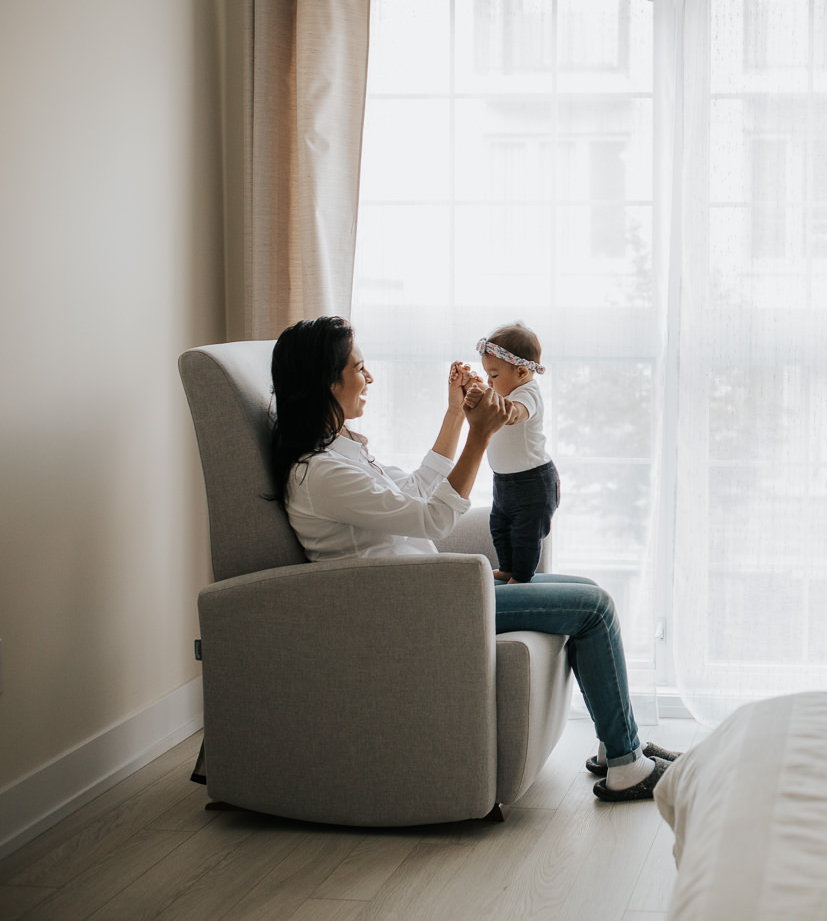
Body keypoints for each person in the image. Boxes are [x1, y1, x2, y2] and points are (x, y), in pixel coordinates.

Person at [268, 316, 676, 801]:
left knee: (590, 593)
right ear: (326, 382)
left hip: (437, 589)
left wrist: (456, 415)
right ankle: (627, 765)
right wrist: (480, 437)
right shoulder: (322, 472)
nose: (369, 378)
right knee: (594, 608)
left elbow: (420, 488)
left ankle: (618, 750)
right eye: (359, 367)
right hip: (421, 604)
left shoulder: (339, 453)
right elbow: (432, 520)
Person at [473, 322, 559, 585]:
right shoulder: (502, 392)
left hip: (533, 483)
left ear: (521, 371)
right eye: (487, 374)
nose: (489, 381)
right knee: (499, 528)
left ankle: (521, 578)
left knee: (525, 535)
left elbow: (518, 411)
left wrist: (505, 411)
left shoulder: (527, 393)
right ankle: (507, 568)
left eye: (494, 375)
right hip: (503, 482)